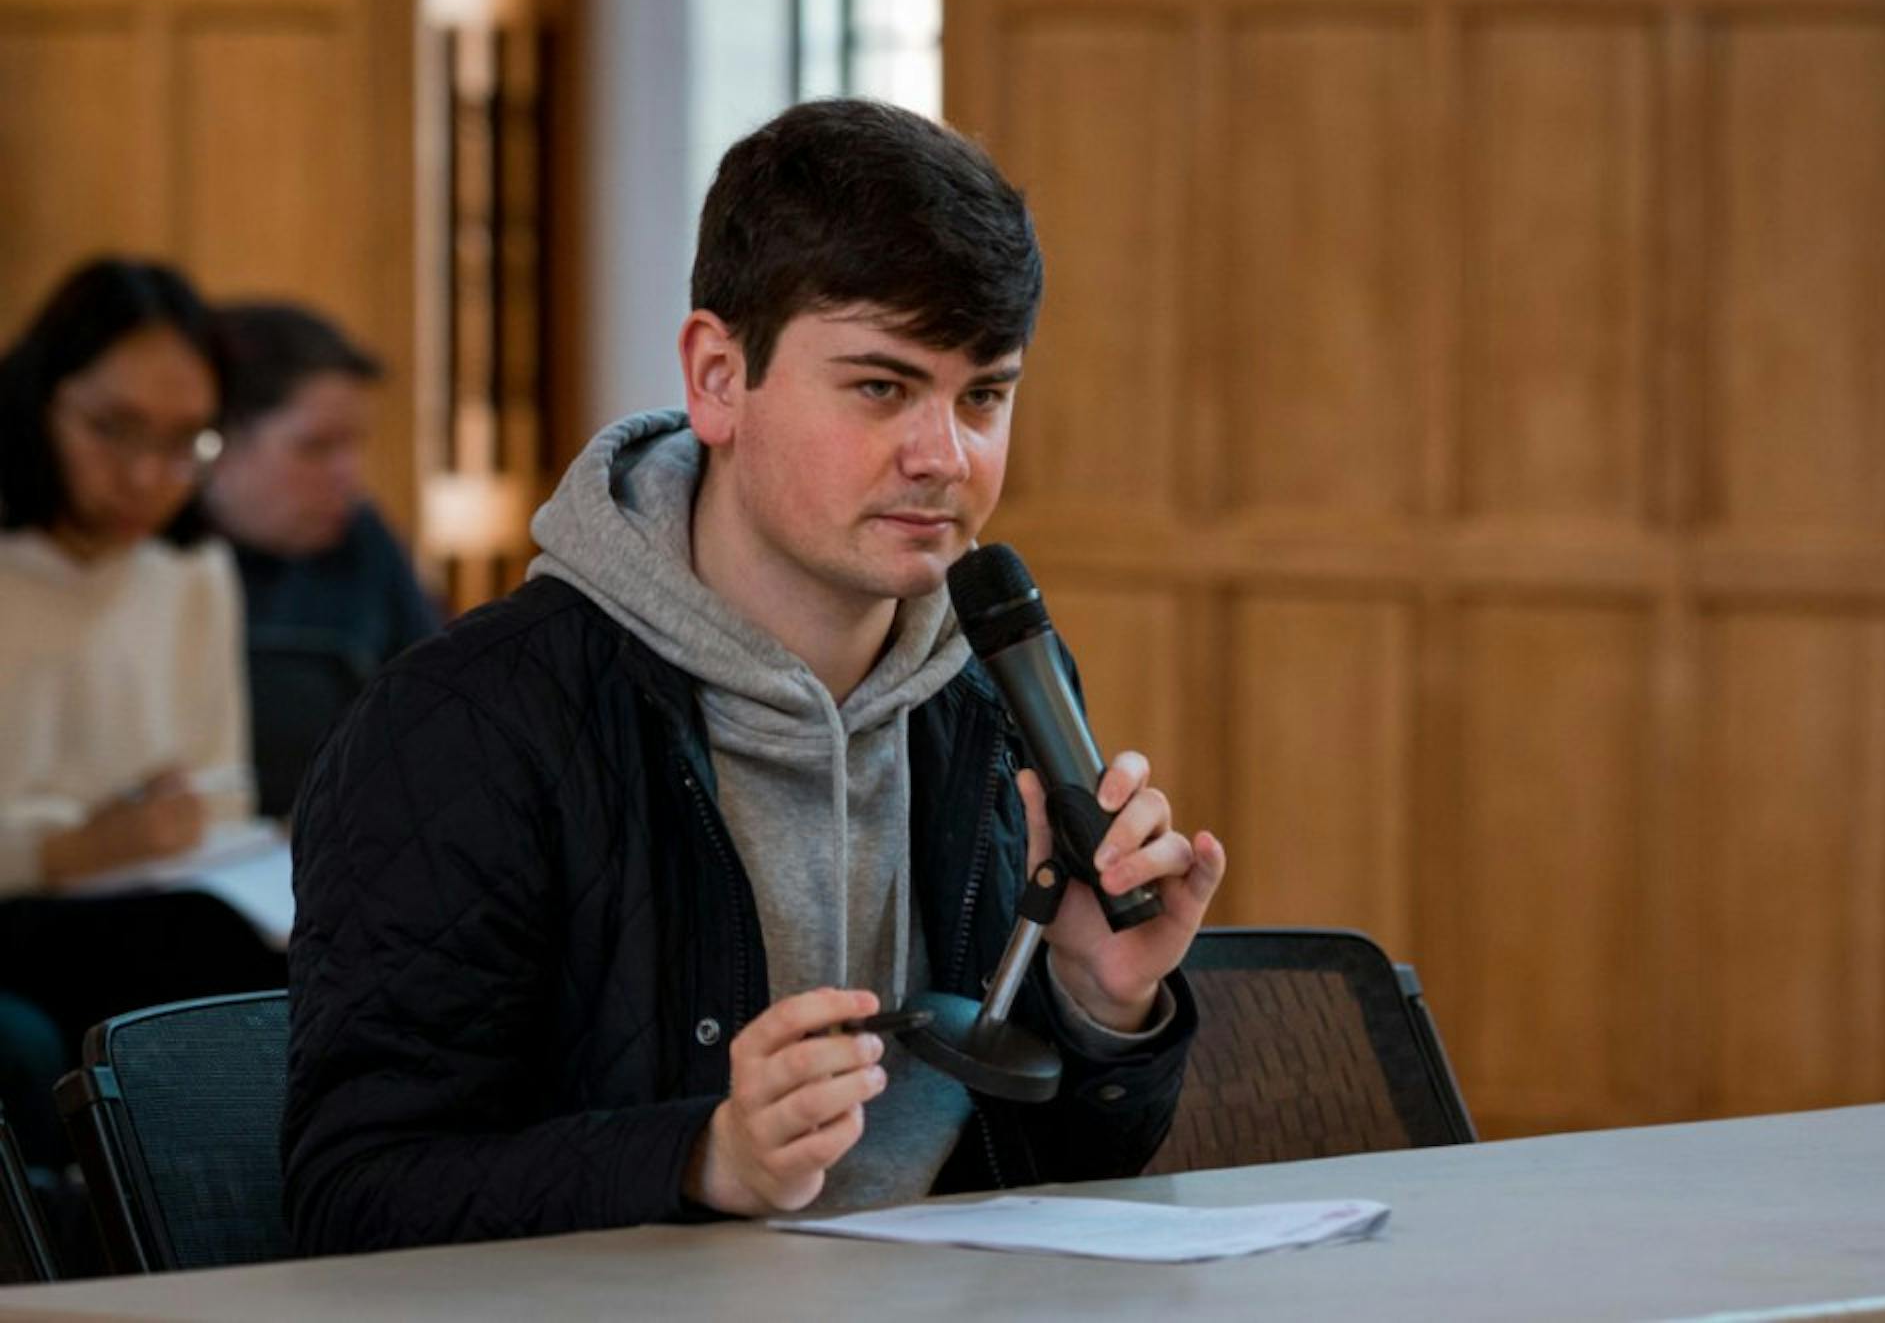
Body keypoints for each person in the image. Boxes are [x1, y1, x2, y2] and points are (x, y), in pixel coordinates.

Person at [282, 99, 1227, 1254]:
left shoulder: (999, 688)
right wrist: (699, 1156)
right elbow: (351, 1195)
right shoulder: (459, 727)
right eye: (881, 388)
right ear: (718, 377)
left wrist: (1097, 1004)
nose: (945, 457)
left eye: (983, 393)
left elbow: (1040, 1176)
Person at [0, 259, 287, 1185]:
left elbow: (220, 788)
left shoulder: (192, 571)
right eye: (112, 429)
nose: (143, 475)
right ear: (41, 397)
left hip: (145, 898)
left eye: (184, 443)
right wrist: (65, 847)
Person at [202, 303, 438, 816]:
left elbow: (438, 716)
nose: (348, 477)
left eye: (353, 445)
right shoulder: (160, 560)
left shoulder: (362, 538)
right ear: (216, 443)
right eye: (315, 448)